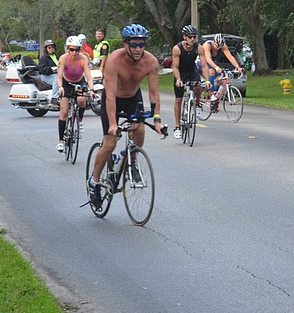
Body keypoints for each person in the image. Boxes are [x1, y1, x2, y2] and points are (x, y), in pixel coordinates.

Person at [88, 24, 164, 207]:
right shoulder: (115, 60)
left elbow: (154, 93)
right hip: (113, 98)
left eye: (142, 45)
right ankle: (95, 182)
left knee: (139, 129)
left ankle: (131, 159)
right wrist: (113, 124)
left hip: (132, 97)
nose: (138, 49)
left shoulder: (151, 62)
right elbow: (111, 96)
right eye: (134, 44)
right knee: (110, 142)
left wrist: (157, 119)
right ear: (126, 44)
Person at [56, 35, 95, 152]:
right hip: (66, 83)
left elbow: (89, 77)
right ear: (68, 49)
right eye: (71, 49)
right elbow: (58, 77)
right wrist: (60, 87)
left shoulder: (83, 59)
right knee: (63, 111)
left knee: (82, 100)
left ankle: (80, 120)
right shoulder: (63, 58)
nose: (74, 52)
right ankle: (61, 141)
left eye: (77, 49)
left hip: (79, 82)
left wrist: (92, 89)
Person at [171, 25, 205, 138]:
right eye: (190, 37)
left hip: (192, 71)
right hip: (180, 72)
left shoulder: (198, 47)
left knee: (198, 86)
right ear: (184, 37)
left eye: (194, 37)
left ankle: (198, 102)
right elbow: (175, 67)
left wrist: (208, 80)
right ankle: (177, 127)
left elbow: (204, 66)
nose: (192, 39)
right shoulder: (177, 48)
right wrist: (178, 79)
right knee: (178, 99)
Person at [201, 33, 244, 102]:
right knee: (212, 71)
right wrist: (216, 67)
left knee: (222, 80)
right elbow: (208, 58)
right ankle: (211, 94)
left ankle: (216, 97)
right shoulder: (207, 45)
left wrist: (238, 67)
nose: (218, 48)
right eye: (217, 46)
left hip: (211, 63)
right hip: (202, 61)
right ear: (214, 42)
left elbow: (230, 57)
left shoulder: (223, 46)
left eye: (220, 47)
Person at [37, 39, 60, 104]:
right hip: (46, 76)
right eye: (49, 47)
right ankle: (54, 98)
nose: (51, 49)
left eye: (52, 47)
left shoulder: (57, 56)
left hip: (56, 74)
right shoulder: (43, 58)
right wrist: (52, 68)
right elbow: (42, 70)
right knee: (57, 79)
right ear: (46, 49)